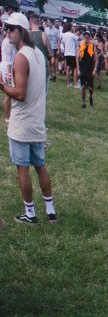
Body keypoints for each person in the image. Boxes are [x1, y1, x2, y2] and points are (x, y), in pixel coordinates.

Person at [3, 13, 57, 225]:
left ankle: (30, 214)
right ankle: (50, 210)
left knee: (22, 168)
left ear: (22, 32)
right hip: (37, 121)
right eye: (6, 28)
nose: (7, 32)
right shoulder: (38, 55)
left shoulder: (20, 56)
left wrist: (2, 86)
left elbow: (20, 93)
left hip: (22, 123)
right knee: (40, 165)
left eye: (11, 29)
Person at [76, 31, 97, 108]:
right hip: (82, 68)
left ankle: (91, 96)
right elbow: (77, 58)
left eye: (88, 36)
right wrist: (78, 69)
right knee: (83, 86)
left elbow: (97, 59)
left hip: (90, 68)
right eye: (85, 37)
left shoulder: (92, 46)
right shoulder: (80, 46)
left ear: (90, 37)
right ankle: (83, 102)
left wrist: (95, 69)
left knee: (91, 87)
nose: (86, 38)